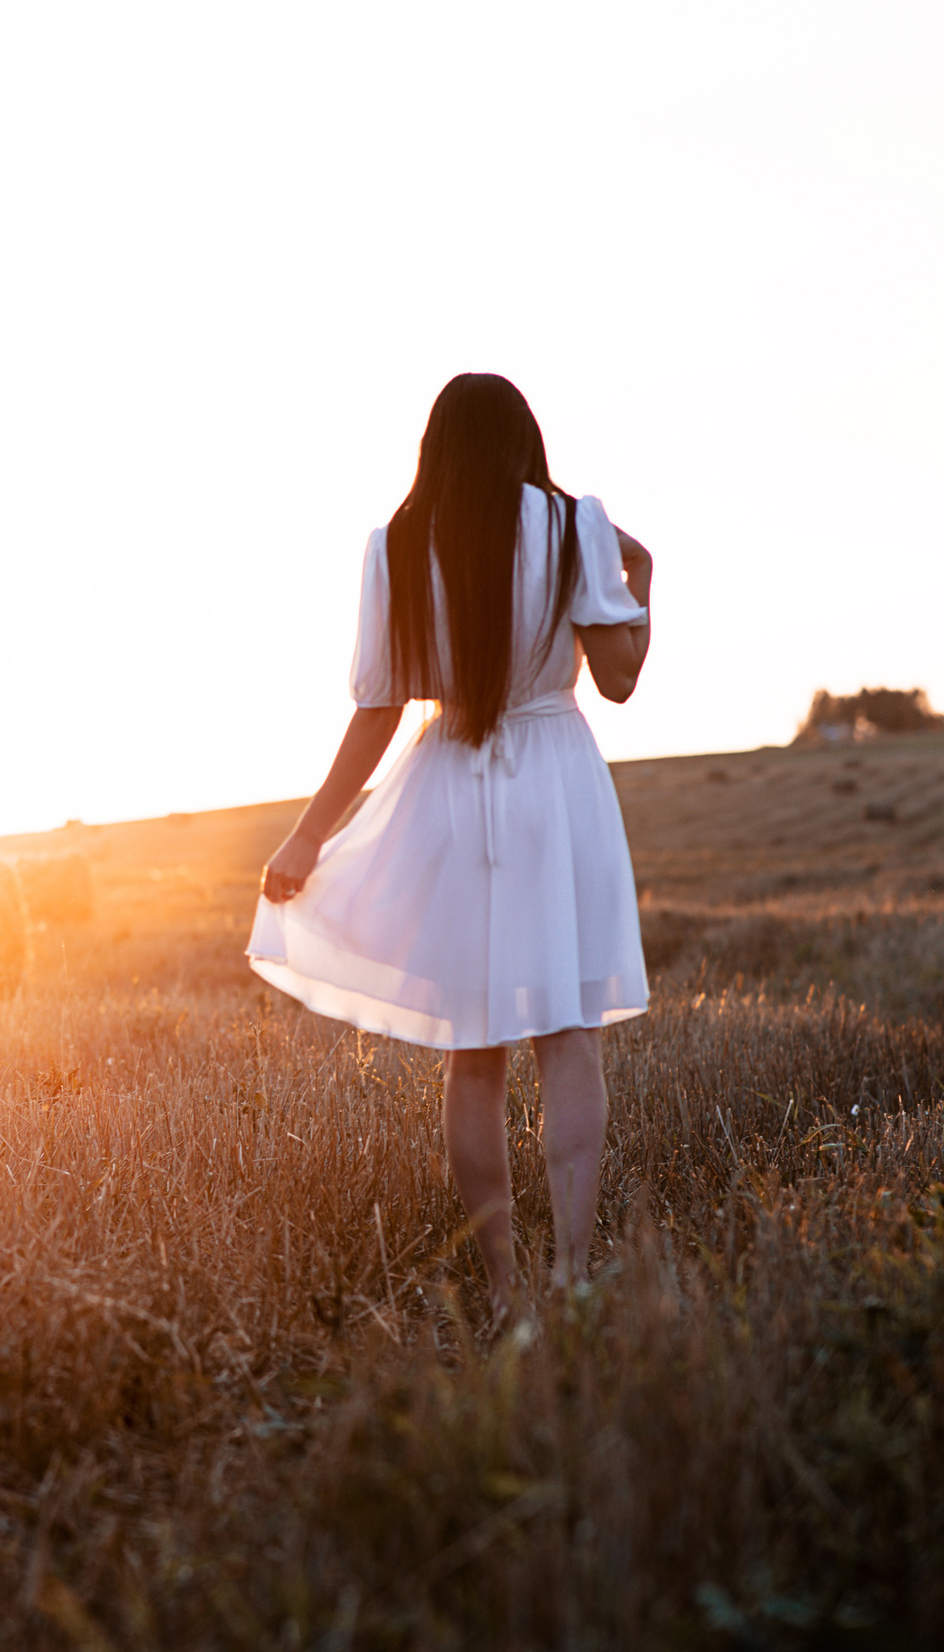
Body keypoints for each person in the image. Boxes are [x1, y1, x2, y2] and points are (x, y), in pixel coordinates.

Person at [250, 372, 653, 1326]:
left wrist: (308, 834)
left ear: (433, 449)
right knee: (569, 1035)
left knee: (475, 1055)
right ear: (525, 441)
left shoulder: (397, 542)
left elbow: (378, 708)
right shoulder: (576, 524)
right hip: (556, 781)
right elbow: (621, 681)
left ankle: (507, 1290)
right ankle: (574, 1274)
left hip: (450, 784)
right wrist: (643, 580)